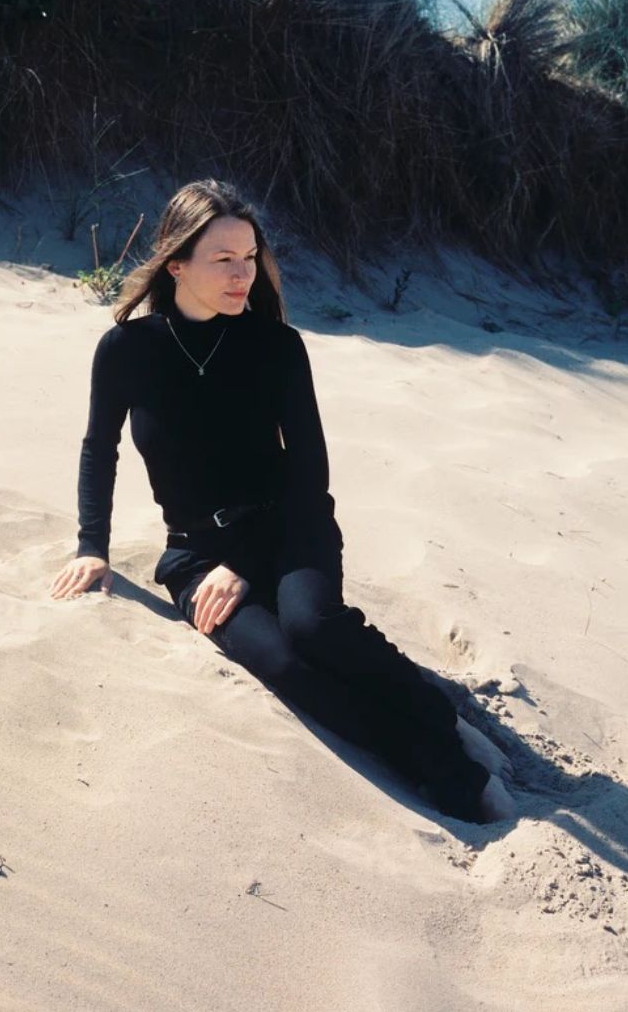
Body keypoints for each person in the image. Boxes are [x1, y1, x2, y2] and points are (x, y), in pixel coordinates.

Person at [49, 178, 516, 824]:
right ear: (176, 261)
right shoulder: (128, 348)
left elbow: (310, 470)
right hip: (193, 555)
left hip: (291, 525)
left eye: (250, 257)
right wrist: (91, 547)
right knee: (286, 664)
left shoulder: (276, 347)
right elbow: (99, 448)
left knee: (314, 625)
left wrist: (245, 556)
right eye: (224, 260)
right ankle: (445, 764)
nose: (244, 274)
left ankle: (438, 713)